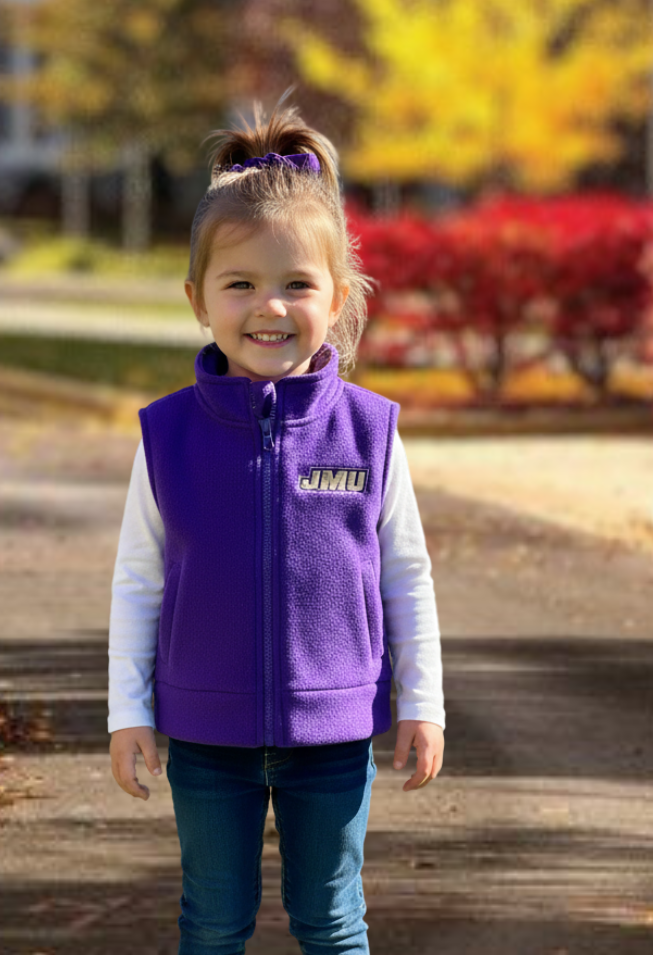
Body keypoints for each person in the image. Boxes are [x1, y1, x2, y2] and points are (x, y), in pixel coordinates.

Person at [108, 90, 445, 954]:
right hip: (205, 736)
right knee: (212, 924)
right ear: (198, 299)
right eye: (241, 285)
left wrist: (423, 702)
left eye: (298, 284)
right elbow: (140, 579)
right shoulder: (168, 435)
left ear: (338, 295)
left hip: (333, 736)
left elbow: (405, 573)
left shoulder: (369, 432)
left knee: (331, 921)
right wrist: (127, 711)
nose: (270, 307)